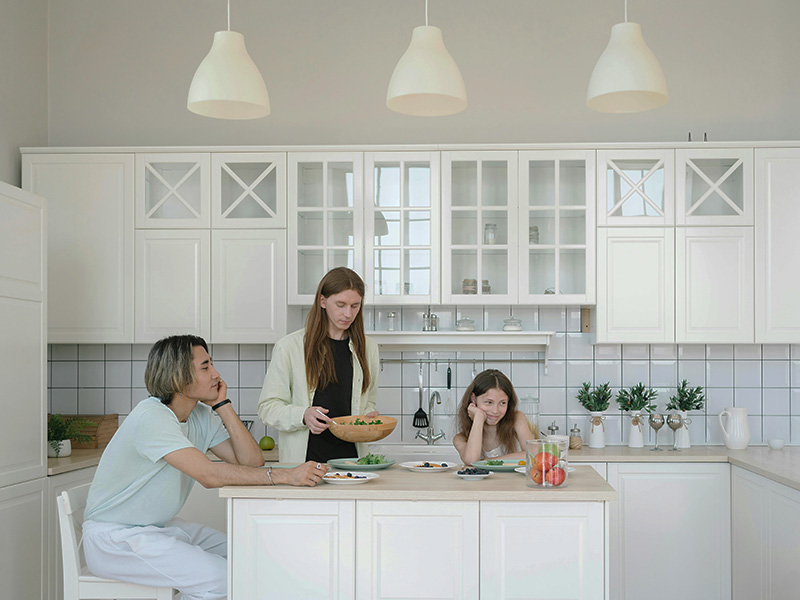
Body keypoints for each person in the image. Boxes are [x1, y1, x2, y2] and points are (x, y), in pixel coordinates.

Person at [82, 335, 327, 600]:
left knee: (251, 556)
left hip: (158, 528)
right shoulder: (151, 417)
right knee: (227, 580)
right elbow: (209, 475)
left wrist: (222, 405)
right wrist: (287, 476)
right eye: (205, 367)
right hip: (115, 539)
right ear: (179, 377)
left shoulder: (198, 415)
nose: (216, 374)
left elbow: (251, 462)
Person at [258, 267, 380, 463]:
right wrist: (303, 415)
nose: (348, 314)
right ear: (322, 301)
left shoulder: (369, 349)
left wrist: (368, 416)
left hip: (354, 465)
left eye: (355, 306)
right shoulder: (288, 347)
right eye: (340, 305)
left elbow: (367, 402)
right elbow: (267, 408)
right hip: (304, 466)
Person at [453, 368, 535, 466]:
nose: (495, 410)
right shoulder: (460, 439)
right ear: (473, 399)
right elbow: (472, 460)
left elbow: (533, 454)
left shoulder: (517, 419)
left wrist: (489, 461)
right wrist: (478, 417)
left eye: (502, 403)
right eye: (488, 402)